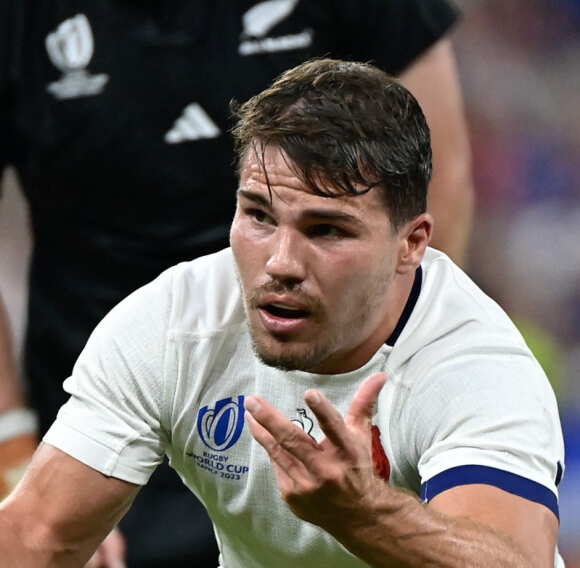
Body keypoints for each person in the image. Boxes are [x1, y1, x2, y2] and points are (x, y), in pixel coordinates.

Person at [0, 58, 564, 568]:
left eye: (327, 230)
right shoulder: (176, 327)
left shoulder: (472, 364)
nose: (281, 263)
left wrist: (364, 514)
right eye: (260, 216)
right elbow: (37, 539)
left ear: (411, 243)